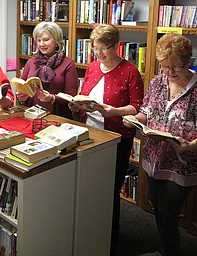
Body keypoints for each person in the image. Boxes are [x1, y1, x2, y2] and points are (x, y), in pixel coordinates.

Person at [69, 24, 144, 255]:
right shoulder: (92, 67)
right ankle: (90, 231)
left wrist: (114, 111)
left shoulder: (130, 71)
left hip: (116, 138)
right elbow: (86, 96)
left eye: (103, 49)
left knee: (109, 190)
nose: (99, 54)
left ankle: (110, 238)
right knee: (90, 186)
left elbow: (138, 107)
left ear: (115, 46)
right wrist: (76, 104)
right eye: (95, 49)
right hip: (90, 133)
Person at [123, 33, 197, 256]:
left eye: (176, 67)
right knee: (158, 208)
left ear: (189, 61)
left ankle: (169, 252)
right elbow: (146, 112)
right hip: (153, 158)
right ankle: (166, 249)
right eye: (165, 67)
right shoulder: (157, 82)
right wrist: (135, 120)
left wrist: (190, 145)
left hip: (182, 162)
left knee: (168, 212)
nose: (170, 73)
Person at [16, 21, 79, 119]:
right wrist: (22, 96)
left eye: (46, 40)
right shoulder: (31, 62)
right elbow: (22, 88)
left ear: (56, 40)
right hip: (32, 115)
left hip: (57, 117)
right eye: (39, 40)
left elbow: (71, 97)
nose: (41, 44)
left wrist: (52, 98)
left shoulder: (68, 64)